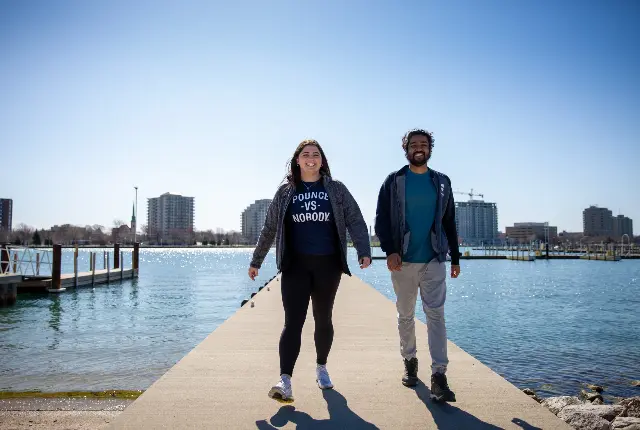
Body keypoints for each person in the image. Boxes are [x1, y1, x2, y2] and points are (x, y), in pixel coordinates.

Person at [249, 139, 372, 402]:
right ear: (297, 160)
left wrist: (364, 250)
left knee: (323, 318)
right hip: (295, 265)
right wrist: (256, 260)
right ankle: (285, 380)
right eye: (306, 155)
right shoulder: (285, 192)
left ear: (322, 161)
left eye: (316, 155)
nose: (311, 159)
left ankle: (321, 367)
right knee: (293, 321)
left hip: (328, 264)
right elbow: (270, 227)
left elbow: (355, 219)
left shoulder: (336, 190)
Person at [374, 128, 461, 402]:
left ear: (430, 148)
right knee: (406, 315)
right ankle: (410, 362)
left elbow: (449, 221)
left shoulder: (442, 182)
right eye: (414, 145)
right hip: (404, 261)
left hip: (434, 258)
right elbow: (381, 219)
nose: (419, 148)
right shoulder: (394, 181)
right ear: (406, 149)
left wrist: (455, 257)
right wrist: (390, 251)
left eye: (424, 144)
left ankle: (439, 375)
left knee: (436, 315)